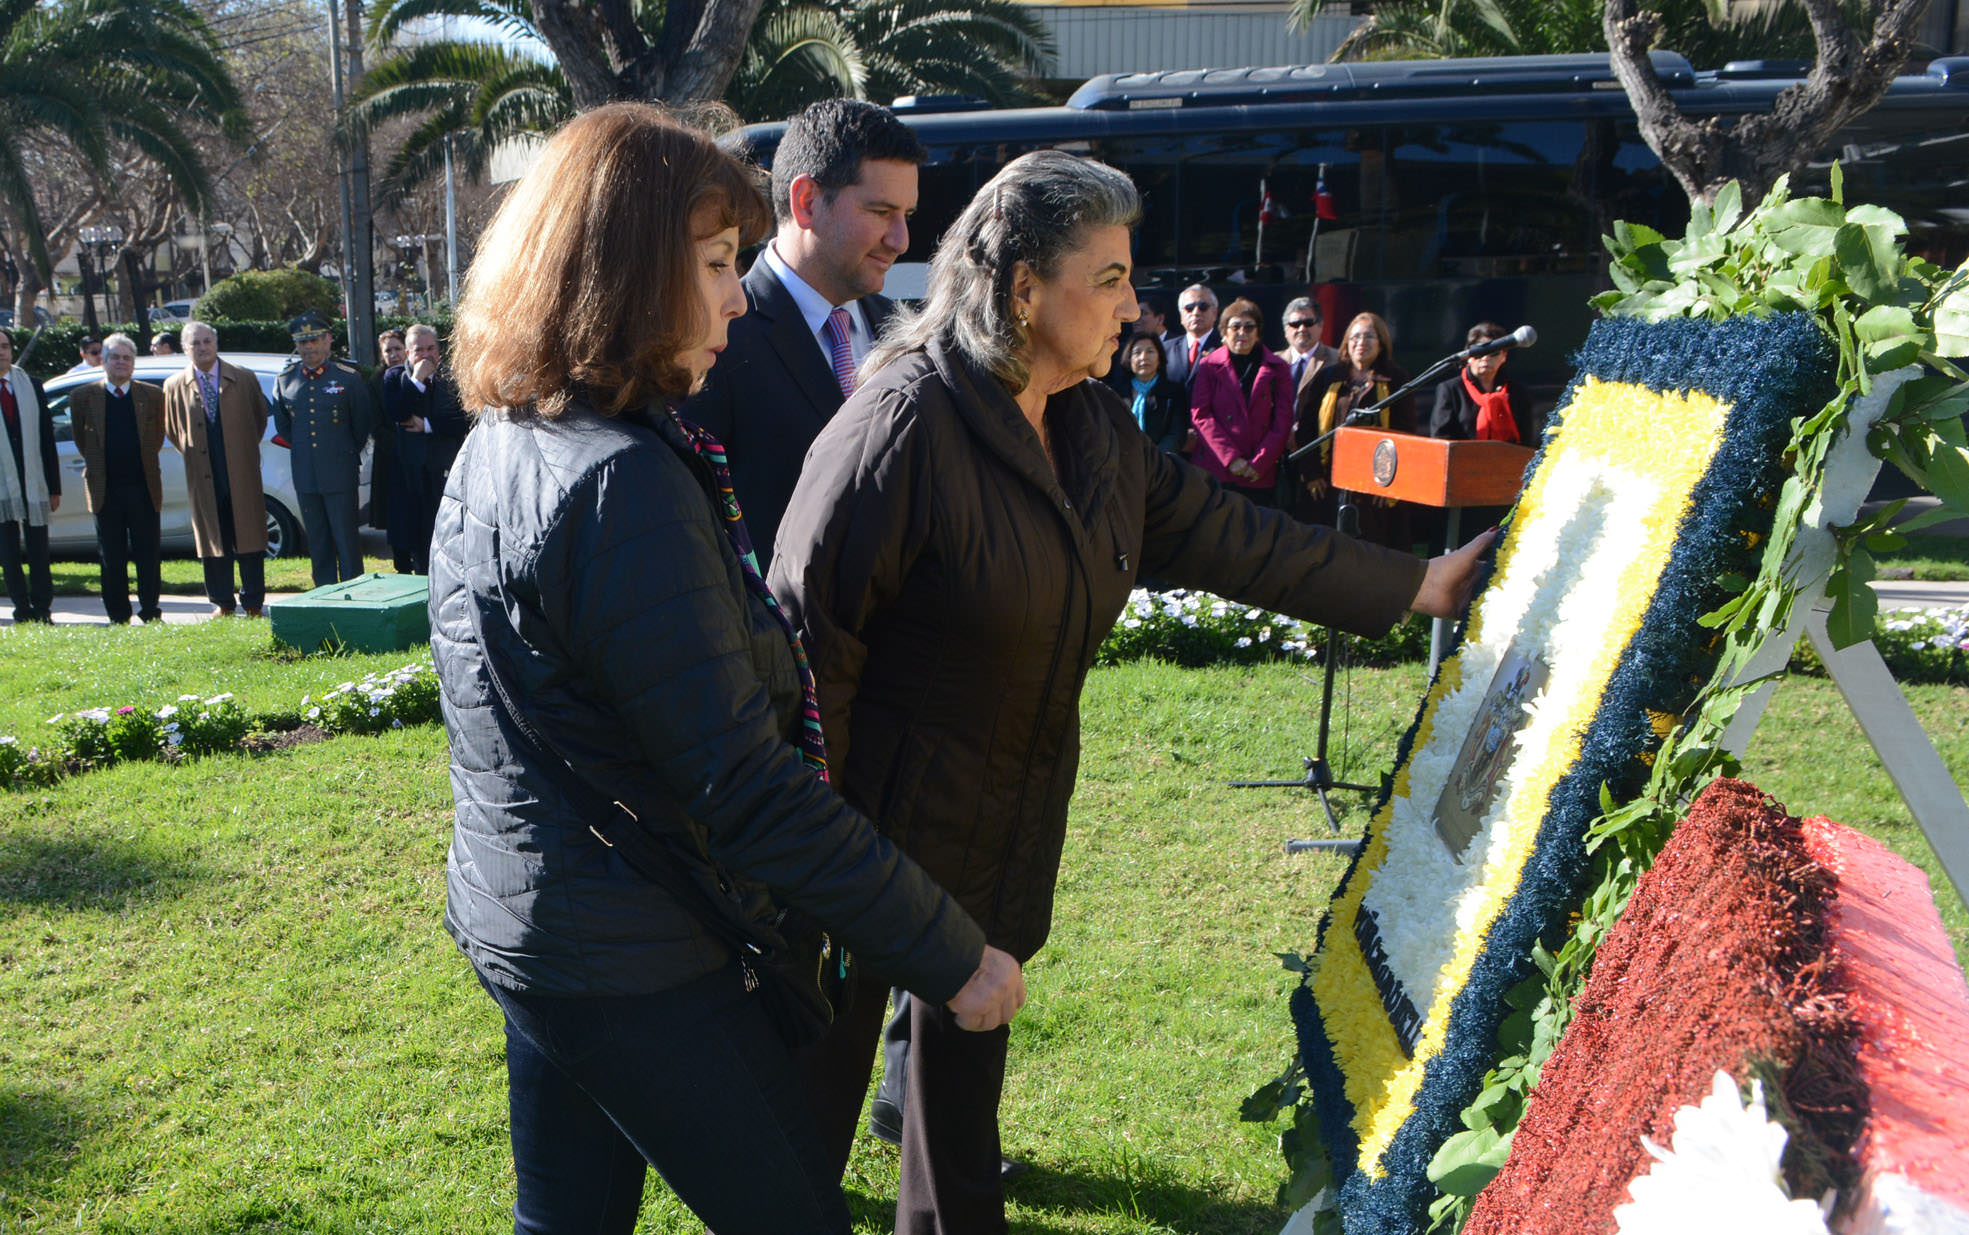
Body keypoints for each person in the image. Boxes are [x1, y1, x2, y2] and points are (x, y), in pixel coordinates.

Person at [769, 149, 1493, 1235]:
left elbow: (1233, 536)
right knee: (799, 1141)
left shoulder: (1093, 429)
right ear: (1022, 290)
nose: (1133, 302)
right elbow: (802, 652)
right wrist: (811, 863)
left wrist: (1413, 582)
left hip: (994, 831)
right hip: (858, 849)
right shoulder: (900, 429)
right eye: (1105, 277)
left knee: (958, 1138)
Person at [430, 102, 1024, 1235]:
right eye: (712, 263)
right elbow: (742, 786)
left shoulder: (506, 437)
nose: (735, 297)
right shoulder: (617, 482)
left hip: (534, 921)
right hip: (631, 954)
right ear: (618, 269)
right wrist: (949, 952)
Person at [682, 97, 920, 567]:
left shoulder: (908, 332)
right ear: (807, 201)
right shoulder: (715, 342)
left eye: (906, 215)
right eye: (880, 212)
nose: (900, 239)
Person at [163, 321, 270, 617]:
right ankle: (222, 602)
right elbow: (174, 430)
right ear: (185, 349)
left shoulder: (244, 379)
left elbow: (258, 420)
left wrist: (240, 450)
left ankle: (252, 602)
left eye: (207, 341)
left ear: (216, 343)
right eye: (195, 343)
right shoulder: (173, 386)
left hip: (241, 472)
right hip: (203, 474)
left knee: (248, 536)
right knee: (213, 538)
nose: (202, 347)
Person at [1292, 310, 1418, 547]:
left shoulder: (1396, 379)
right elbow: (1307, 428)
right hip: (1328, 485)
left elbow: (1405, 434)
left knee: (1373, 553)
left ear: (1381, 342)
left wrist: (1392, 485)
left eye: (1369, 337)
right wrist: (1311, 475)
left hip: (1377, 487)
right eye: (1355, 337)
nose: (1361, 343)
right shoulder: (1327, 377)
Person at [68, 333, 165, 624]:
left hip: (143, 485)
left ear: (133, 363)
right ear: (103, 361)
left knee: (148, 553)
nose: (121, 363)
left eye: (127, 358)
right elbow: (81, 441)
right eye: (115, 357)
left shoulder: (152, 395)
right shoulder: (83, 397)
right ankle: (118, 616)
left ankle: (150, 611)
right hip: (105, 489)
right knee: (111, 556)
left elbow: (156, 438)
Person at [273, 310, 374, 587]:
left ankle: (354, 592)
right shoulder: (286, 380)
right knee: (317, 539)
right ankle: (324, 592)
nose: (308, 347)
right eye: (302, 342)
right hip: (306, 473)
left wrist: (341, 454)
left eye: (315, 340)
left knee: (346, 539)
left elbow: (361, 425)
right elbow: (285, 427)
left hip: (340, 471)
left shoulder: (348, 378)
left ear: (328, 340)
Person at [1427, 320, 1537, 548]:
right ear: (1468, 356)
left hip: (1502, 488)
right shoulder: (1450, 390)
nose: (1485, 359)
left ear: (1504, 356)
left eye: (1493, 353)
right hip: (1462, 491)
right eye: (1479, 353)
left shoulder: (1517, 393)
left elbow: (1527, 442)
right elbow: (1441, 439)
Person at [1188, 297, 1294, 506]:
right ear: (1224, 332)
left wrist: (1260, 463)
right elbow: (1201, 415)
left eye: (1249, 327)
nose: (1242, 333)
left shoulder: (1279, 368)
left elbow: (1283, 419)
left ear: (1258, 332)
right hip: (1218, 470)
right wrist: (1231, 458)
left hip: (1259, 475)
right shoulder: (1208, 366)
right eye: (1235, 326)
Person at [380, 324, 467, 573]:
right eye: (419, 350)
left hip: (442, 471)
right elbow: (397, 412)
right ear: (408, 353)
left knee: (443, 538)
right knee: (411, 543)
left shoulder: (451, 380)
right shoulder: (395, 378)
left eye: (431, 348)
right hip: (409, 474)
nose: (427, 355)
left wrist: (427, 425)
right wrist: (416, 381)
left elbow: (462, 420)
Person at [1, 329, 60, 624]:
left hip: (34, 482)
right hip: (2, 488)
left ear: (11, 349)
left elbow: (47, 440)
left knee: (39, 551)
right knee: (9, 554)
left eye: (4, 346)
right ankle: (22, 610)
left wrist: (54, 486)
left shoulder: (31, 386)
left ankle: (42, 609)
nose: (0, 352)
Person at [1107, 333, 1190, 455]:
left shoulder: (1173, 392)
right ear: (1129, 358)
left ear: (1159, 357)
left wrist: (1154, 460)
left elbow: (1176, 433)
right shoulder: (1116, 393)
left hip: (1161, 463)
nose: (1143, 357)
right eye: (1137, 352)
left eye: (1150, 351)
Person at [366, 329, 407, 541]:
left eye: (398, 348)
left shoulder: (421, 375)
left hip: (419, 459)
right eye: (388, 350)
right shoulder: (375, 382)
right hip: (389, 459)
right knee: (395, 521)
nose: (394, 355)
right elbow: (375, 425)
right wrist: (400, 446)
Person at [1162, 283, 1221, 388]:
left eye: (1203, 307)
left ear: (1215, 313)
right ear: (1181, 316)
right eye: (1189, 308)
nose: (1196, 312)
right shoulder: (1165, 349)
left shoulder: (1225, 347)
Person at [1279, 295, 1338, 396]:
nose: (1302, 329)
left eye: (1308, 322)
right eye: (1295, 324)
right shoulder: (1272, 362)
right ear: (1285, 329)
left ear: (1321, 326)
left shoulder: (1337, 360)